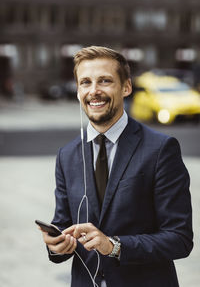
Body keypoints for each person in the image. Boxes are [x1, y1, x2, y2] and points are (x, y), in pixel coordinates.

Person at [40, 46, 193, 287]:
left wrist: (113, 246)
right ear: (78, 91)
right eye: (85, 82)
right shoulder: (66, 155)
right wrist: (57, 246)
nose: (94, 91)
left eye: (105, 81)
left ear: (126, 87)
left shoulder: (161, 149)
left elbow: (179, 239)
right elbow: (62, 225)